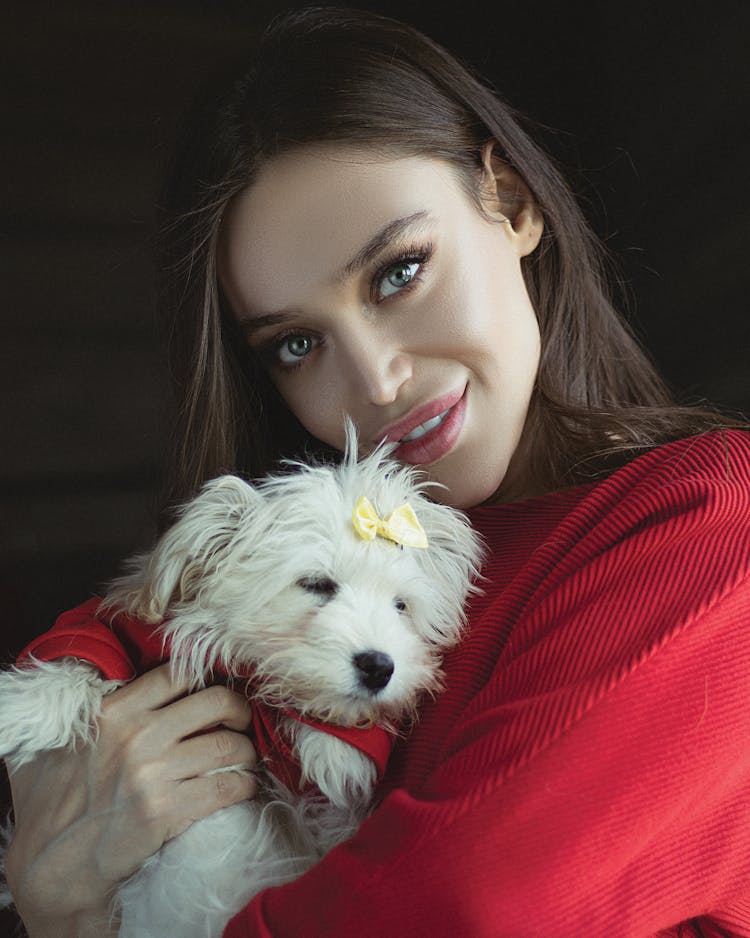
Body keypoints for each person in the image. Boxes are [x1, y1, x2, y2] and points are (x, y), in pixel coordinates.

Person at [5, 6, 750, 937]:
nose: (377, 381)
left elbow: (470, 909)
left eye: (398, 272)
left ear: (513, 203)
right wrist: (61, 898)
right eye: (296, 343)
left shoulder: (705, 525)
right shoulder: (266, 595)